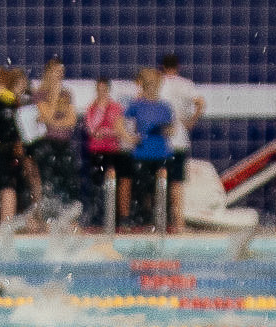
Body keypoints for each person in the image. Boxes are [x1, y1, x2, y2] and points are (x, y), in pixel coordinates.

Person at [122, 68, 174, 233]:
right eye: (149, 84)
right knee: (141, 191)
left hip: (161, 153)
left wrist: (164, 130)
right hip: (142, 154)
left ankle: (159, 222)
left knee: (159, 191)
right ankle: (140, 221)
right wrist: (129, 137)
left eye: (154, 84)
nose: (152, 87)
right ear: (144, 85)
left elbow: (171, 130)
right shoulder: (137, 105)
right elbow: (119, 121)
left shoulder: (164, 107)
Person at [157, 53, 201, 234]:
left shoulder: (159, 83)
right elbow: (200, 103)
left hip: (159, 142)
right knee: (176, 184)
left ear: (162, 67)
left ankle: (158, 223)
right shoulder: (186, 85)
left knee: (159, 181)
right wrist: (191, 121)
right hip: (179, 141)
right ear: (178, 66)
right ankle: (179, 223)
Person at [0, 65, 28, 233]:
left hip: (4, 152)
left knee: (7, 187)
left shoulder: (4, 103)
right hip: (5, 152)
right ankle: (6, 223)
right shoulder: (6, 103)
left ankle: (6, 223)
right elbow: (0, 132)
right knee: (7, 187)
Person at [32, 60, 78, 215]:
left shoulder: (67, 94)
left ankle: (66, 216)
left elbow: (72, 121)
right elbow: (48, 116)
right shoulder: (39, 94)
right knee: (48, 182)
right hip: (46, 144)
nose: (60, 75)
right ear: (48, 73)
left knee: (68, 180)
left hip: (64, 143)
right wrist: (54, 95)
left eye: (61, 72)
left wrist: (53, 123)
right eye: (57, 72)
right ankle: (47, 216)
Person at [83, 77, 127, 223]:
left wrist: (105, 132)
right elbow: (91, 130)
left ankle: (114, 218)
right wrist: (101, 111)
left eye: (104, 90)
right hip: (96, 151)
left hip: (112, 151)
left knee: (113, 184)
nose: (101, 92)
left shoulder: (116, 108)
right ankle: (97, 217)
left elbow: (120, 130)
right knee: (97, 185)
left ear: (108, 90)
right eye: (99, 90)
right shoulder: (92, 108)